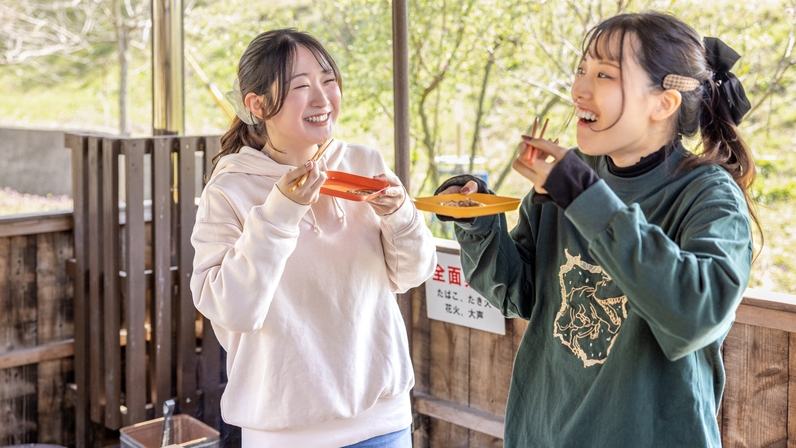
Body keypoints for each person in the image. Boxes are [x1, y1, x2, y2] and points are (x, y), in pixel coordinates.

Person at [434, 11, 758, 447]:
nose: (578, 91)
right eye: (581, 70)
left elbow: (693, 316)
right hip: (542, 433)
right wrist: (477, 221)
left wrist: (583, 196)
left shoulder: (707, 195)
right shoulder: (576, 175)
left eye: (605, 75)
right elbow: (521, 293)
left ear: (663, 103)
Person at [190, 28, 436, 447]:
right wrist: (280, 213)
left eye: (328, 80)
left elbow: (412, 273)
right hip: (286, 433)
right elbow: (232, 310)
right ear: (257, 104)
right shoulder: (229, 191)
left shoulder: (364, 163)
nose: (322, 99)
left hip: (384, 421)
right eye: (301, 87)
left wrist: (400, 214)